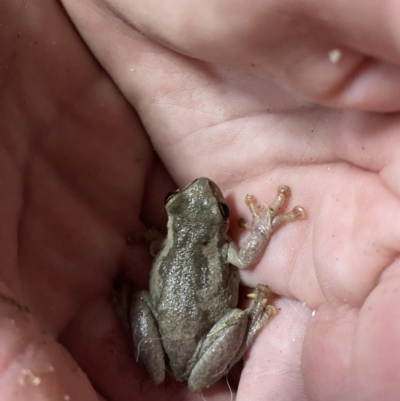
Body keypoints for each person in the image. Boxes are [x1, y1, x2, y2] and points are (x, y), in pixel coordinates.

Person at [2, 0, 400, 400]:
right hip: (193, 345)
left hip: (172, 342)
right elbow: (244, 260)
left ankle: (153, 316)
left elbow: (165, 248)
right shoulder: (221, 248)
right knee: (210, 324)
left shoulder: (169, 242)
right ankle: (248, 326)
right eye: (179, 198)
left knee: (144, 302)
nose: (199, 190)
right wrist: (263, 226)